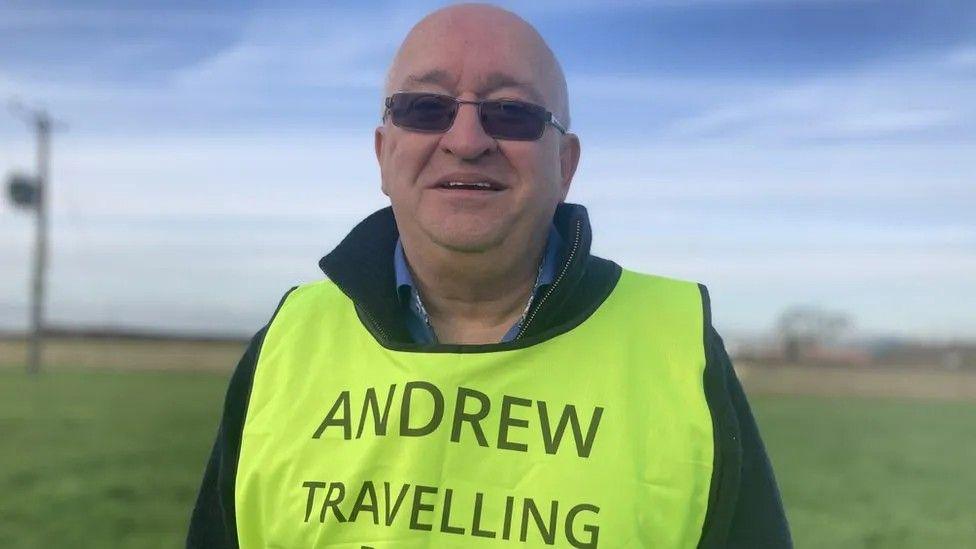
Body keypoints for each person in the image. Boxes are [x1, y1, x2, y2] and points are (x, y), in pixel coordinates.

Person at [187, 3, 791, 548]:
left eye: (512, 113)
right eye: (426, 108)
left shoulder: (677, 345)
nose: (467, 140)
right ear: (382, 153)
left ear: (566, 163)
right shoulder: (288, 340)